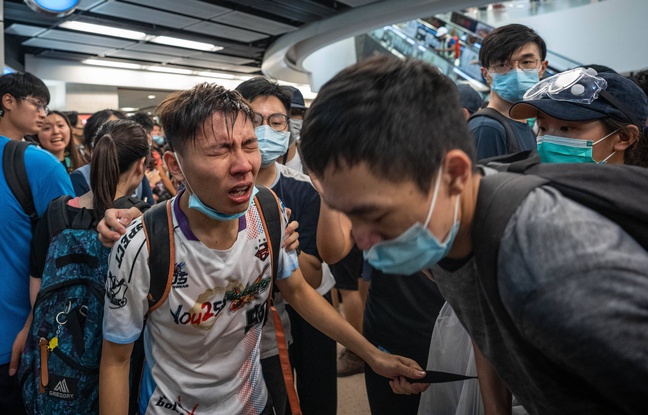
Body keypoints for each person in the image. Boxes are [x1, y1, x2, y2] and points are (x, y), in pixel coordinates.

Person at [299, 55, 648, 415]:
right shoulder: (449, 227)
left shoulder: (549, 258)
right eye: (348, 214)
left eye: (375, 214)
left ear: (453, 174)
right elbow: (487, 332)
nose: (360, 238)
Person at [98, 82, 424, 415]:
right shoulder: (143, 245)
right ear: (176, 164)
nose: (243, 165)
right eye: (220, 150)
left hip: (254, 404)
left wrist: (372, 354)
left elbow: (297, 291)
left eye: (249, 144)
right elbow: (116, 360)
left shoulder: (268, 210)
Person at [235, 77, 338, 415]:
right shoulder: (221, 191)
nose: (265, 130)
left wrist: (284, 250)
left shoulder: (305, 189)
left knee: (316, 394)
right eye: (254, 120)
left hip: (307, 310)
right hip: (245, 319)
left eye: (276, 122)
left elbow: (310, 275)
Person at [0, 71, 74, 415]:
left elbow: (68, 255)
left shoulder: (36, 164)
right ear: (7, 101)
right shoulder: (37, 164)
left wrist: (34, 326)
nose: (43, 113)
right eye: (37, 103)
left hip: (16, 345)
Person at [509, 68, 648, 167]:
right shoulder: (538, 197)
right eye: (543, 128)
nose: (546, 142)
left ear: (624, 137)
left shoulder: (636, 203)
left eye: (565, 128)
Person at [468, 24, 548, 159]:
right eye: (503, 65)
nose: (517, 72)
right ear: (486, 74)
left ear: (542, 68)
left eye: (527, 62)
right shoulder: (487, 129)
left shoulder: (525, 128)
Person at [70, 109, 154, 205]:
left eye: (120, 132)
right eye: (103, 136)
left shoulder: (136, 171)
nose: (113, 138)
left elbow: (149, 205)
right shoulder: (80, 177)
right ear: (89, 148)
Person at [281, 86, 306, 173]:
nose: (288, 120)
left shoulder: (313, 158)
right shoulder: (254, 160)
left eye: (294, 113)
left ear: (303, 117)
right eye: (281, 114)